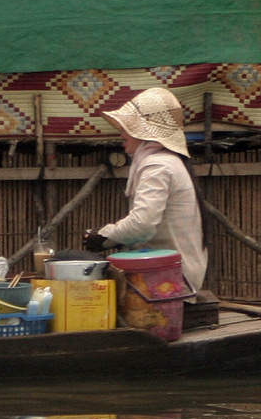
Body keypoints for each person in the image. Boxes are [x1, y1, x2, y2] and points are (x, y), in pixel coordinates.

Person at [82, 87, 209, 292]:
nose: (122, 134)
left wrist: (105, 237)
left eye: (128, 128)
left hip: (172, 282)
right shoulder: (165, 162)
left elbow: (142, 224)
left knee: (73, 262)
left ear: (144, 132)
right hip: (173, 275)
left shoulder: (157, 166)